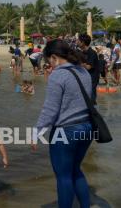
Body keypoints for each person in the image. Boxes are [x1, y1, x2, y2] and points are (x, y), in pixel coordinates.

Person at [32, 39, 93, 208]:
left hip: (66, 132)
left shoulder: (58, 75)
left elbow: (50, 110)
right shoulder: (83, 71)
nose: (48, 65)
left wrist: (36, 133)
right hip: (87, 128)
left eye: (48, 61)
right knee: (76, 171)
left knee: (64, 176)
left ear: (54, 57)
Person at [77, 34, 100, 102]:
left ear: (83, 42)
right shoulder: (82, 52)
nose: (76, 42)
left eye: (78, 40)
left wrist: (77, 64)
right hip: (85, 77)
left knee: (91, 98)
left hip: (92, 78)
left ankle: (92, 110)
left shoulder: (92, 53)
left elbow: (88, 67)